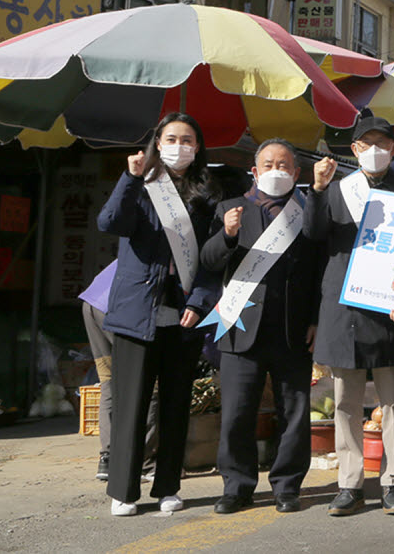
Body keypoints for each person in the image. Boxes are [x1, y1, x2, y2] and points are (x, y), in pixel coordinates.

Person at [97, 112, 221, 517]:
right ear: (157, 143)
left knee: (174, 404)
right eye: (171, 138)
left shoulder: (206, 194)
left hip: (181, 313)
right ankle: (123, 491)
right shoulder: (143, 185)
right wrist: (130, 179)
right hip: (137, 310)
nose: (179, 146)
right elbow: (110, 222)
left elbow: (209, 261)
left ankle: (168, 485)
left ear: (198, 147)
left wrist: (198, 303)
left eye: (188, 139)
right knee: (131, 405)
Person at [304, 114, 394, 516]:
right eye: (366, 143)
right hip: (344, 307)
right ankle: (350, 483)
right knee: (345, 403)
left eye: (382, 143)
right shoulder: (337, 191)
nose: (375, 150)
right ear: (353, 150)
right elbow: (313, 235)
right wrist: (317, 189)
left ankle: (393, 481)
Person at [200, 138, 319, 515]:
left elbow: (321, 271)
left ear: (297, 173)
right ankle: (237, 487)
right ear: (254, 171)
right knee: (236, 413)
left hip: (293, 329)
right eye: (268, 164)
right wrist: (227, 235)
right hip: (240, 328)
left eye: (284, 165)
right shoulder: (228, 209)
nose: (276, 171)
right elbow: (208, 261)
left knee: (295, 413)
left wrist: (316, 318)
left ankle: (287, 486)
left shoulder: (307, 212)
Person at [79, 271, 159, 483]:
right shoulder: (181, 254)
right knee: (151, 383)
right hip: (120, 309)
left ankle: (108, 458)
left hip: (93, 304)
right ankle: (146, 463)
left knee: (109, 381)